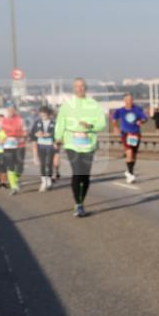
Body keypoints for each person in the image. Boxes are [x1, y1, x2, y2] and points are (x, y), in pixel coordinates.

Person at [54, 78, 107, 217]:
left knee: (85, 176)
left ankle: (81, 200)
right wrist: (57, 138)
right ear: (73, 89)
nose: (79, 88)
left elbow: (102, 123)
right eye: (77, 86)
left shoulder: (94, 104)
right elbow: (60, 122)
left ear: (86, 88)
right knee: (77, 172)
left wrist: (91, 126)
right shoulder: (67, 105)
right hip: (72, 143)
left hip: (88, 143)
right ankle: (78, 204)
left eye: (82, 86)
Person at [112, 93, 148, 183]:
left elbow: (145, 118)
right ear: (124, 101)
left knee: (134, 155)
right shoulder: (120, 110)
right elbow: (114, 119)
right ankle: (131, 174)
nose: (129, 102)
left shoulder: (137, 109)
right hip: (125, 134)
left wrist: (141, 121)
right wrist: (115, 127)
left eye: (131, 100)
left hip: (135, 134)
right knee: (129, 152)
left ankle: (129, 171)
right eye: (127, 100)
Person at [0, 106, 28, 195]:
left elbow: (26, 131)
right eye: (9, 110)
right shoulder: (3, 121)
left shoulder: (20, 120)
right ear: (7, 111)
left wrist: (24, 137)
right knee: (10, 166)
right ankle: (13, 186)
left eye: (12, 110)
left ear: (15, 111)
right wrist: (1, 139)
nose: (11, 112)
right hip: (8, 146)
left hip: (20, 145)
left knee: (20, 167)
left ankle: (15, 179)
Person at [30, 106, 57, 192]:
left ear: (49, 115)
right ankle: (43, 182)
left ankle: (49, 180)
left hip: (50, 145)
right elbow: (32, 134)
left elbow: (57, 134)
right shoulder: (37, 122)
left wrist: (50, 135)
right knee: (43, 163)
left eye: (45, 115)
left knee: (49, 163)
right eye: (41, 115)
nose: (43, 117)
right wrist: (37, 134)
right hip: (41, 145)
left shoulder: (54, 123)